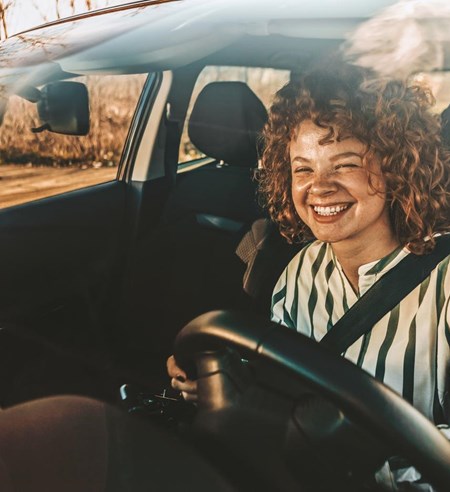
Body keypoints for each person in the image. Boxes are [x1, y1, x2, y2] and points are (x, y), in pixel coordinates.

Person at [167, 64, 450, 488]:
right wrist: (217, 381)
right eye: (303, 168)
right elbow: (281, 382)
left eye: (345, 164)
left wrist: (367, 466)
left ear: (396, 167)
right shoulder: (300, 269)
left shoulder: (444, 284)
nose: (318, 187)